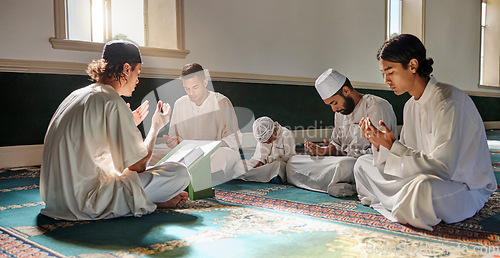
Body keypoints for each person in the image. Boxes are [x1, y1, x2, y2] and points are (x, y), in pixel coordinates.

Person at [355, 34, 497, 231]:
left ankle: (401, 202)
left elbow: (443, 168)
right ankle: (403, 203)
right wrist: (381, 144)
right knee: (362, 163)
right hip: (423, 176)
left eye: (390, 72)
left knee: (422, 189)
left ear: (412, 66)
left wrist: (393, 146)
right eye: (383, 73)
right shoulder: (409, 106)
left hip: (462, 186)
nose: (386, 80)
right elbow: (408, 157)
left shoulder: (449, 102)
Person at [40, 40, 190, 221]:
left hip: (54, 199)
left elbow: (92, 145)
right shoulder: (111, 100)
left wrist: (127, 123)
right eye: (137, 73)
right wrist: (155, 126)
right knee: (179, 172)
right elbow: (138, 166)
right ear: (126, 69)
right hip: (87, 201)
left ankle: (149, 201)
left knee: (121, 170)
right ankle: (148, 201)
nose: (137, 81)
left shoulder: (77, 95)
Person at [286, 69, 397, 197]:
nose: (334, 109)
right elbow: (338, 146)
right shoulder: (340, 113)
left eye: (334, 103)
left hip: (366, 163)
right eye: (330, 105)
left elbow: (382, 151)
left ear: (345, 90)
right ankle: (343, 185)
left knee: (342, 165)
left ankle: (348, 185)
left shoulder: (376, 106)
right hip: (345, 161)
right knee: (293, 162)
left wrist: (343, 154)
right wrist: (324, 151)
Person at [161, 63, 242, 186]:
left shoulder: (221, 102)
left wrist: (209, 145)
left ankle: (188, 175)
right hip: (188, 153)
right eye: (187, 88)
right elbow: (174, 137)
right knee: (150, 152)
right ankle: (192, 173)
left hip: (214, 153)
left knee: (225, 155)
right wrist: (173, 142)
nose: (191, 93)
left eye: (195, 87)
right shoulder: (179, 104)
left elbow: (234, 139)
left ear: (205, 82)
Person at [234, 116, 296, 183]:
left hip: (276, 166)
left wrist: (271, 162)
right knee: (239, 164)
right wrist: (258, 163)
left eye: (269, 141)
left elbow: (290, 158)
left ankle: (262, 176)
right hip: (264, 168)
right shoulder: (262, 135)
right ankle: (266, 177)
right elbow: (258, 157)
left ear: (274, 130)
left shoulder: (287, 134)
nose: (267, 143)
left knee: (278, 165)